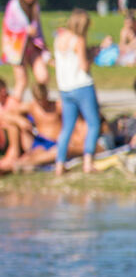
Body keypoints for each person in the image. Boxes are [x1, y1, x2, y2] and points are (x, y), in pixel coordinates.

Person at [54, 9, 101, 174]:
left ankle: (59, 164)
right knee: (94, 123)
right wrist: (94, 55)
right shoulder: (78, 39)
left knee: (67, 127)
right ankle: (88, 163)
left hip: (65, 88)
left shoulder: (59, 38)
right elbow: (84, 66)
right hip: (82, 86)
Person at [2, 0, 49, 101]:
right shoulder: (14, 6)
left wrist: (44, 47)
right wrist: (25, 30)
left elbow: (39, 28)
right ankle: (14, 109)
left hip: (33, 46)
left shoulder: (35, 7)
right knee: (22, 81)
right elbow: (8, 27)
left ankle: (40, 103)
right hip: (17, 48)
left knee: (43, 77)